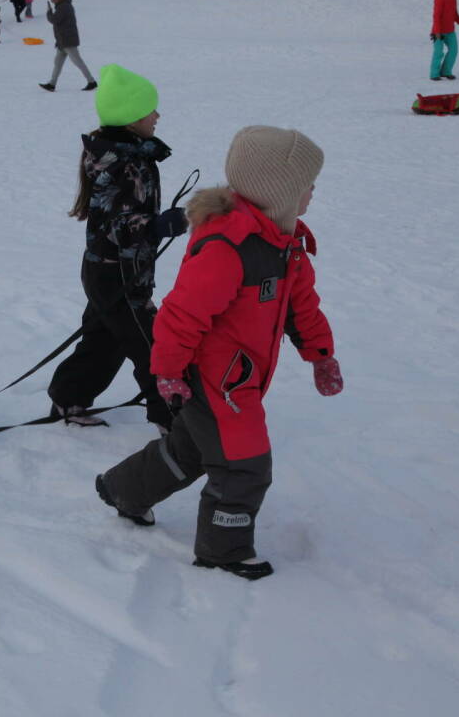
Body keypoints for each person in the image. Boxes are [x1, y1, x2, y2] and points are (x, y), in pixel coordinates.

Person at [95, 125, 341, 581]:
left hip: (241, 375)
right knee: (244, 464)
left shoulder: (284, 241)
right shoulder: (229, 246)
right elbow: (179, 315)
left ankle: (124, 489)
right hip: (218, 379)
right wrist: (167, 371)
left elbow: (302, 304)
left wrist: (321, 354)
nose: (313, 192)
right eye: (306, 184)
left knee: (189, 450)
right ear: (277, 191)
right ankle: (222, 549)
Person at [47, 64, 188, 432]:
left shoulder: (128, 154)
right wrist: (159, 225)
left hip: (113, 269)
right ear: (129, 116)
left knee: (104, 340)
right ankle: (172, 420)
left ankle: (68, 398)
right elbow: (117, 225)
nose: (157, 116)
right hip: (117, 272)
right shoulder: (121, 163)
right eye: (149, 109)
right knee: (151, 346)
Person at [39, 0, 98, 92]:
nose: (51, 1)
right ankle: (52, 84)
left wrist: (49, 11)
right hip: (62, 41)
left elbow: (54, 20)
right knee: (57, 63)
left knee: (78, 62)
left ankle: (91, 82)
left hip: (68, 40)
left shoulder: (63, 6)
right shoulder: (63, 4)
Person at [429, 0, 459, 81]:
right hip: (438, 31)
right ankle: (434, 73)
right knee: (438, 52)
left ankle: (446, 71)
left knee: (454, 50)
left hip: (450, 30)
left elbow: (454, 14)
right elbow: (436, 15)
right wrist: (437, 32)